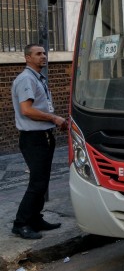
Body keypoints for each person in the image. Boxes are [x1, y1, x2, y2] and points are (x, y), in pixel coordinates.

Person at [11, 44, 68, 239]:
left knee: (42, 182)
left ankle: (35, 218)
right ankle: (21, 223)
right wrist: (54, 118)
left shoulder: (38, 78)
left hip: (43, 136)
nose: (43, 56)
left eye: (44, 53)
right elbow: (27, 110)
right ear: (28, 58)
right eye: (38, 54)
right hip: (33, 138)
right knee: (37, 183)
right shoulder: (26, 79)